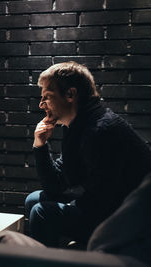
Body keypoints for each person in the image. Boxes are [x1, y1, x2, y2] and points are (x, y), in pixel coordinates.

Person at [26, 62, 151, 247]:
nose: (41, 104)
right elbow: (57, 184)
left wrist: (68, 201)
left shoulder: (100, 131)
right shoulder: (77, 125)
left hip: (124, 221)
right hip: (100, 205)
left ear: (70, 95)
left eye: (47, 97)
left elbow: (102, 201)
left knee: (41, 212)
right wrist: (40, 144)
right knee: (34, 199)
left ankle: (48, 260)